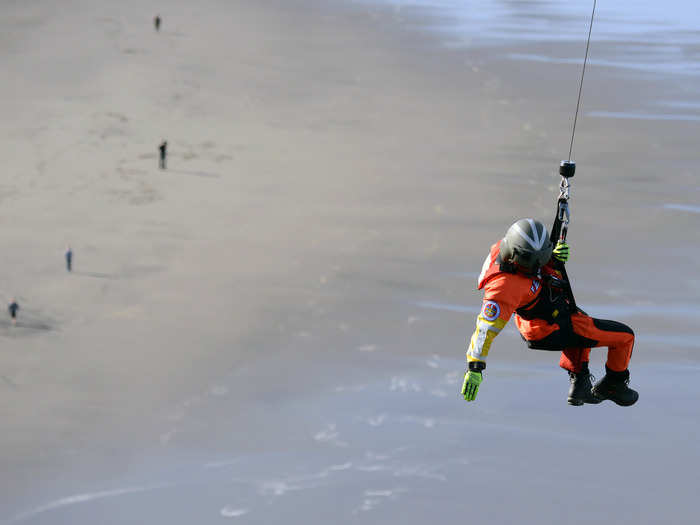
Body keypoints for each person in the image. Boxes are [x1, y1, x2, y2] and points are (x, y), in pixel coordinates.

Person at [461, 218, 638, 407]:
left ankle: (580, 384)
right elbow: (485, 329)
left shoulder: (509, 250)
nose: (538, 264)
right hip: (545, 328)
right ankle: (614, 385)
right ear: (516, 256)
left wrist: (552, 257)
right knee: (624, 336)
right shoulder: (503, 288)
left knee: (580, 323)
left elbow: (535, 262)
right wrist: (475, 367)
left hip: (544, 313)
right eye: (533, 261)